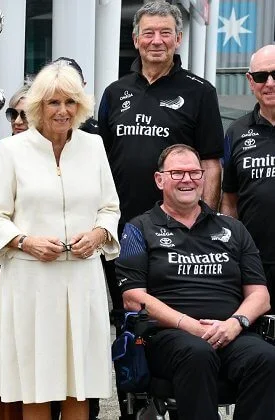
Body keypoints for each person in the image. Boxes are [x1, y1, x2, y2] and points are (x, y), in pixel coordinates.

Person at [0, 60, 120, 419]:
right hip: (32, 284)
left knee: (80, 386)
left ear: (81, 107)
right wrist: (26, 241)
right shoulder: (12, 150)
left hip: (82, 281)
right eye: (53, 103)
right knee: (36, 386)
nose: (62, 111)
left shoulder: (94, 146)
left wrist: (98, 234)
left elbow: (110, 208)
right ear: (37, 107)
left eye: (70, 102)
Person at [116, 144, 275, 420]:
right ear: (159, 179)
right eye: (177, 173)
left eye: (194, 173)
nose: (187, 179)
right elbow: (133, 297)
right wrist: (189, 325)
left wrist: (234, 324)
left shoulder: (233, 228)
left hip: (229, 332)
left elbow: (260, 296)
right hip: (171, 337)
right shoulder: (138, 228)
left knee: (267, 359)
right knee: (197, 353)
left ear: (204, 178)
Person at [98, 0, 223, 330]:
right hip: (122, 226)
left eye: (165, 33)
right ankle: (131, 371)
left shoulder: (200, 92)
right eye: (149, 33)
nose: (157, 40)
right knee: (128, 311)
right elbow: (101, 160)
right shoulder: (114, 92)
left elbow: (210, 161)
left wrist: (205, 220)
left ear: (178, 38)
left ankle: (162, 379)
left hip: (177, 227)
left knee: (171, 316)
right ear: (136, 39)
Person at [221, 44, 275, 313]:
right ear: (250, 81)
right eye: (262, 76)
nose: (271, 83)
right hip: (255, 262)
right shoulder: (236, 132)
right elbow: (229, 199)